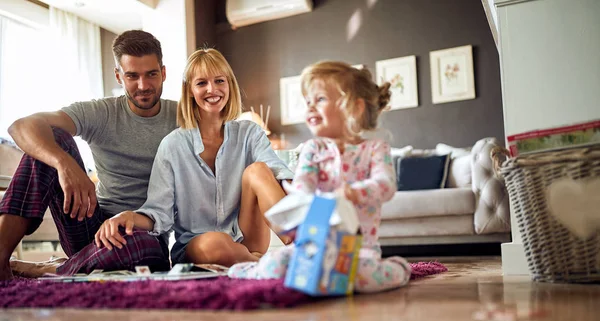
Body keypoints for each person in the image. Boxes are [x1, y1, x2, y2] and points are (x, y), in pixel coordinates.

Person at [0, 30, 177, 280]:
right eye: (132, 76)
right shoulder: (101, 112)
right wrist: (64, 164)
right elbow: (21, 126)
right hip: (91, 227)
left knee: (144, 248)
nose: (143, 86)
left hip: (146, 232)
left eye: (151, 74)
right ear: (118, 76)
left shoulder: (182, 117)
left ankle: (52, 269)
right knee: (53, 137)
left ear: (164, 72)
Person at [94, 48, 293, 267]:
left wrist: (298, 187)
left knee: (259, 170)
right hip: (200, 245)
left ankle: (305, 247)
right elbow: (159, 211)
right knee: (215, 243)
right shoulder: (173, 145)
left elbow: (276, 170)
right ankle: (267, 266)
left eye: (219, 81)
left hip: (247, 237)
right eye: (201, 83)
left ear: (229, 85)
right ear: (189, 90)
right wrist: (128, 216)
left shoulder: (249, 133)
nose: (212, 89)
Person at [228, 61, 412, 293]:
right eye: (308, 102)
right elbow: (304, 185)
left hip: (358, 249)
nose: (311, 108)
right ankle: (250, 271)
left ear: (354, 109)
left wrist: (354, 192)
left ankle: (398, 268)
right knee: (277, 264)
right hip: (313, 245)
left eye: (321, 99)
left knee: (363, 278)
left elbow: (386, 185)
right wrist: (297, 205)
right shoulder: (313, 149)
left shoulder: (375, 149)